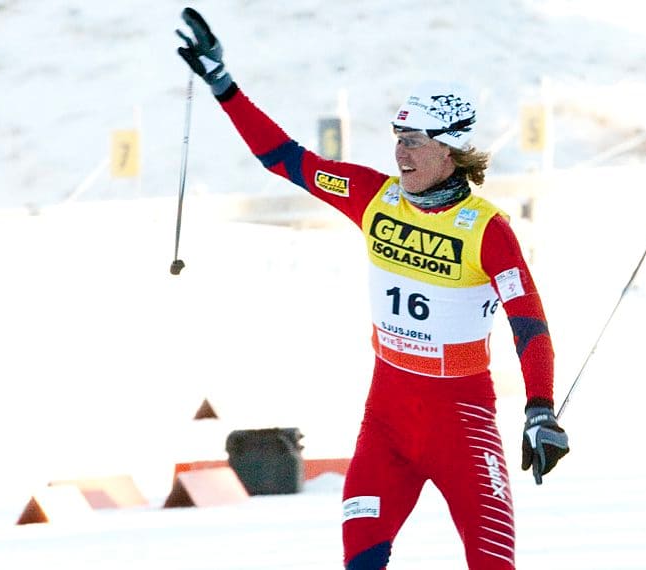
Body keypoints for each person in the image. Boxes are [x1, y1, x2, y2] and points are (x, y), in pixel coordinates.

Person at [176, 8, 568, 569]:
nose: (400, 153)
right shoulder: (372, 196)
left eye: (415, 141)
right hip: (387, 422)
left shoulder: (488, 230)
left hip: (463, 423)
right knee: (361, 559)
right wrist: (222, 83)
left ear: (451, 149)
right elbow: (283, 159)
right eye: (397, 138)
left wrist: (539, 410)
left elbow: (529, 325)